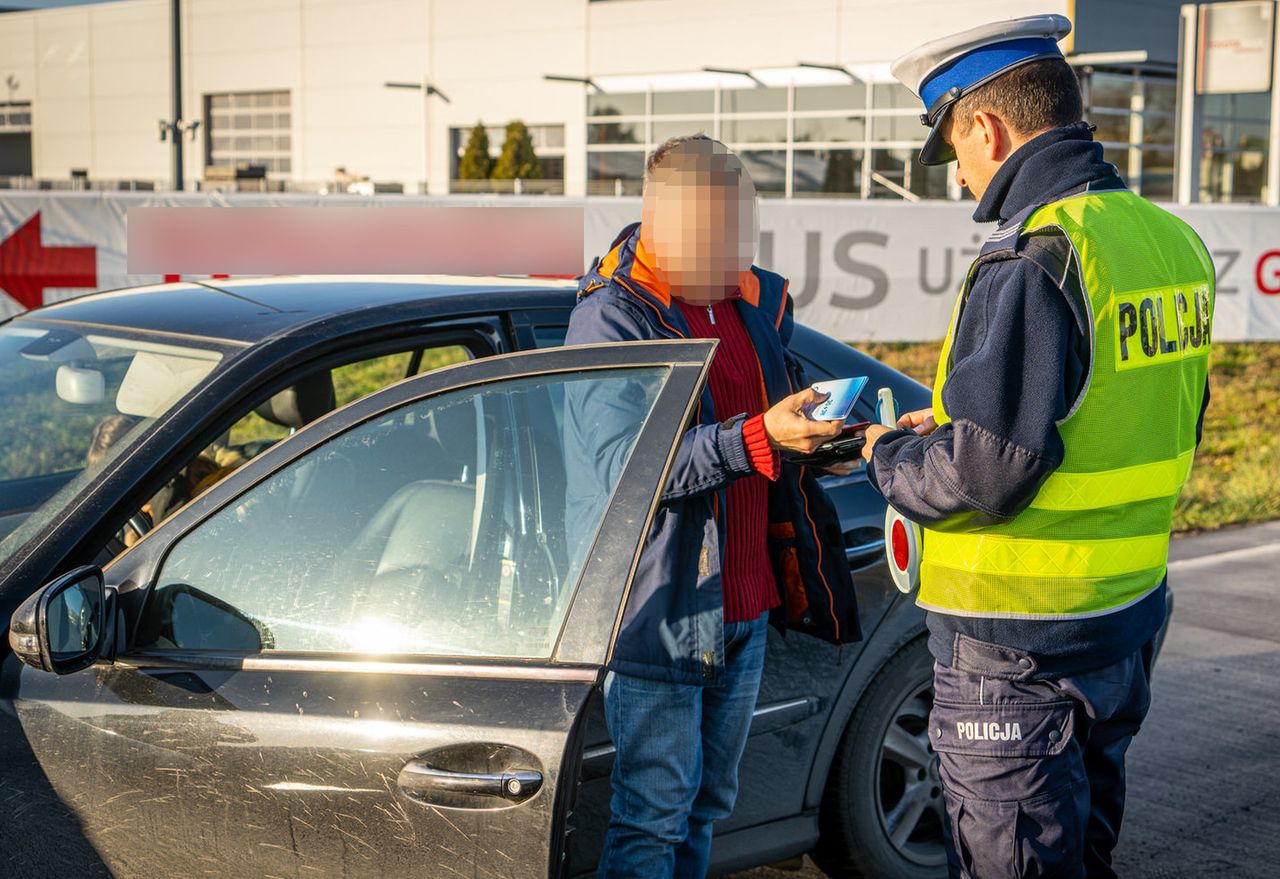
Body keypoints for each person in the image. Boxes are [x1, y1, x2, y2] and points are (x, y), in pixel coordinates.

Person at [861, 15, 1214, 878]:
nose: (963, 177)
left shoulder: (1033, 255)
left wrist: (888, 457)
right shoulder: (1170, 242)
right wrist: (954, 432)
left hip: (1017, 653)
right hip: (1124, 619)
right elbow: (1147, 417)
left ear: (988, 127)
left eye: (955, 150)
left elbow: (989, 471)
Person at [565, 134, 861, 878]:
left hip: (744, 606)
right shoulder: (614, 319)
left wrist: (834, 440)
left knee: (704, 808)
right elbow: (625, 468)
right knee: (651, 821)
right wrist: (760, 434)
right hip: (660, 612)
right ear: (662, 222)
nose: (733, 246)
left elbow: (774, 425)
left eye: (738, 225)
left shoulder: (750, 302)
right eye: (714, 228)